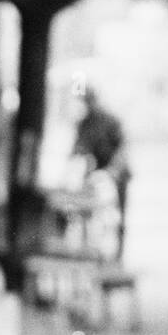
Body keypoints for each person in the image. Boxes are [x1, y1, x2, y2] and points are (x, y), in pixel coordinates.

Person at [72, 86, 131, 260]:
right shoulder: (84, 123)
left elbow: (122, 148)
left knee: (118, 216)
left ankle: (118, 255)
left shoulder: (111, 120)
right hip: (96, 173)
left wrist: (112, 170)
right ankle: (90, 250)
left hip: (117, 174)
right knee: (88, 210)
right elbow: (79, 148)